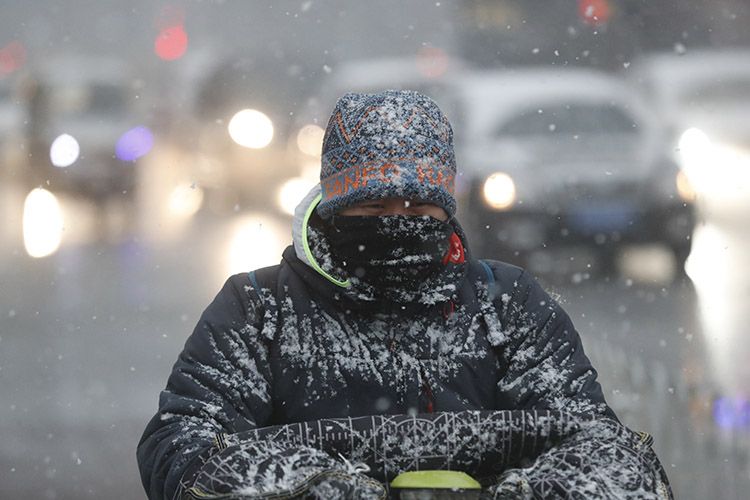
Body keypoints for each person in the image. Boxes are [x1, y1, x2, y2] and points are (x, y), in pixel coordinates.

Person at [137, 90, 672, 499]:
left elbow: (598, 447)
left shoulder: (506, 304)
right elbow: (182, 447)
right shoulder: (259, 308)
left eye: (418, 207)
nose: (397, 222)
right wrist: (317, 488)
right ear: (334, 205)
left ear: (446, 207)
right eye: (373, 207)